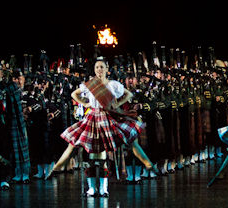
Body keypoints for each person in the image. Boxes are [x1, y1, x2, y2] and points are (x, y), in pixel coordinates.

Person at [46, 60, 156, 197]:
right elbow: (74, 94)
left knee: (103, 157)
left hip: (106, 119)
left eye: (102, 67)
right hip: (92, 118)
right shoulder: (89, 85)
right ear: (94, 69)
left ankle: (104, 189)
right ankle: (92, 188)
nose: (99, 69)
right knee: (91, 157)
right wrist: (84, 104)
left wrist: (117, 105)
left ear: (106, 69)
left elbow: (128, 94)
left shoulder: (113, 85)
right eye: (97, 67)